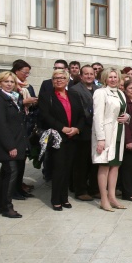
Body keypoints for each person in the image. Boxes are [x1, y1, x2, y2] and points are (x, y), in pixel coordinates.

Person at [38, 68, 85, 211]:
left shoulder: (74, 95)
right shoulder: (47, 96)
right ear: (52, 81)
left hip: (73, 137)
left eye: (61, 78)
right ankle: (55, 199)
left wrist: (77, 129)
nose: (59, 80)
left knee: (68, 168)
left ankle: (64, 197)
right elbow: (46, 116)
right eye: (55, 78)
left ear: (66, 80)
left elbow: (82, 115)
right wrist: (63, 128)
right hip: (58, 137)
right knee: (58, 168)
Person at [0, 72, 27, 218]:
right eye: (6, 81)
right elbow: (0, 126)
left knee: (5, 174)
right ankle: (7, 207)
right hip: (6, 144)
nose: (9, 84)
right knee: (11, 173)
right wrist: (11, 146)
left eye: (12, 82)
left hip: (13, 141)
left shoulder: (12, 98)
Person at [92, 68, 128, 212]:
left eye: (115, 77)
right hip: (106, 133)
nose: (113, 79)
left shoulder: (121, 93)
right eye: (110, 77)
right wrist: (101, 138)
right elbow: (97, 116)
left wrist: (128, 118)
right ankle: (104, 198)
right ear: (105, 79)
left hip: (119, 132)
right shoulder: (100, 92)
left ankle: (112, 197)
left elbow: (124, 113)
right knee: (104, 164)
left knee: (115, 165)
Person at [10, 59, 37, 198]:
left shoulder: (28, 86)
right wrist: (24, 101)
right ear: (16, 71)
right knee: (15, 162)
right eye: (25, 72)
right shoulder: (11, 85)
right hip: (15, 128)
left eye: (28, 73)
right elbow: (8, 103)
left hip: (26, 126)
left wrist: (33, 102)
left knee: (22, 159)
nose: (27, 75)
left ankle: (19, 186)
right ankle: (13, 190)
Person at [71, 65, 97, 201]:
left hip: (97, 131)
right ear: (81, 76)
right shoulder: (75, 90)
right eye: (86, 74)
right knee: (81, 163)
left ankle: (94, 188)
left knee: (95, 162)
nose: (89, 76)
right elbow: (81, 111)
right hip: (83, 131)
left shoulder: (98, 89)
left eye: (91, 74)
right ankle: (80, 190)